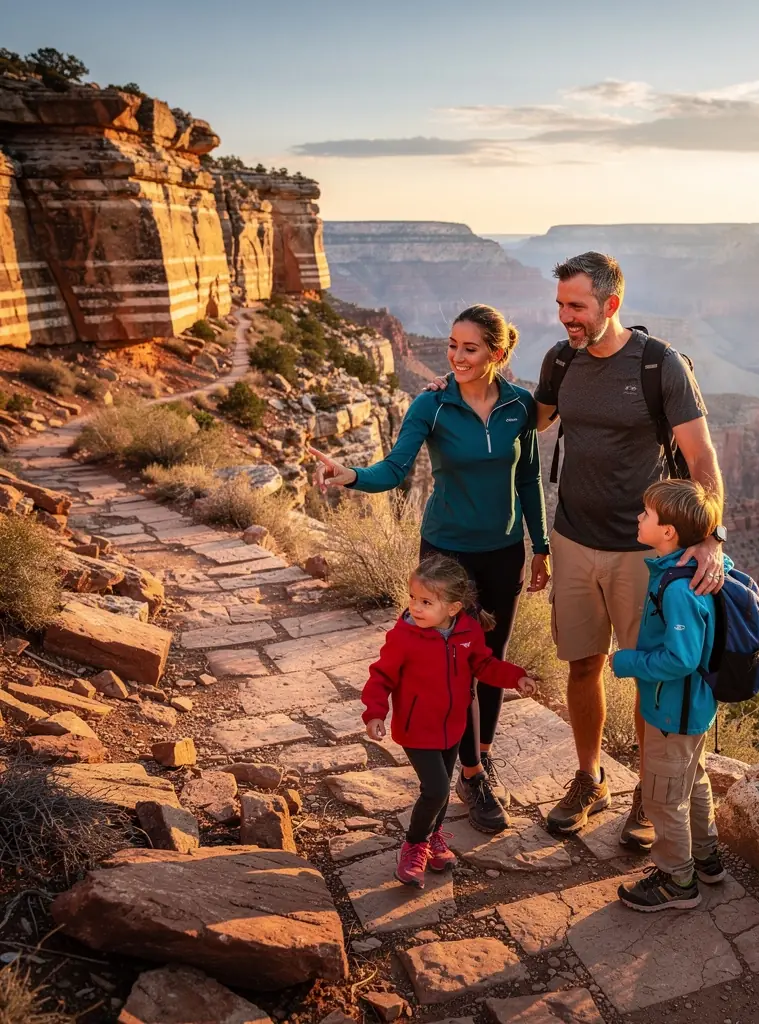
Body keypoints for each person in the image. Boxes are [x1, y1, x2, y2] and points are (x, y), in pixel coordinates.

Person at [310, 303, 549, 834]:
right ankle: (467, 770)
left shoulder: (518, 406)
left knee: (488, 660)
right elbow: (396, 469)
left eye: (470, 348)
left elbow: (529, 479)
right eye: (452, 346)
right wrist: (350, 475)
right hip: (446, 557)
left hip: (504, 551)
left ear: (498, 353)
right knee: (452, 663)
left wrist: (542, 546)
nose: (457, 357)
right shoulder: (432, 405)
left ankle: (476, 765)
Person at [534, 251, 726, 847]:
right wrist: (456, 385)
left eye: (577, 306)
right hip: (571, 538)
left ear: (610, 304)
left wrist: (709, 539)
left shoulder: (658, 365)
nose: (565, 316)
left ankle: (646, 792)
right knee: (583, 664)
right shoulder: (562, 359)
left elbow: (701, 460)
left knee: (650, 679)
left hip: (642, 553)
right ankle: (590, 779)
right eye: (561, 304)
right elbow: (525, 419)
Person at [362, 555, 537, 889]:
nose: (415, 606)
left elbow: (484, 666)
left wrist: (517, 677)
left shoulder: (468, 632)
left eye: (426, 601)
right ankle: (414, 845)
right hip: (416, 730)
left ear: (454, 607)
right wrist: (374, 713)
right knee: (437, 789)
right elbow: (380, 676)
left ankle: (432, 837)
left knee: (439, 791)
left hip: (452, 727)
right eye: (412, 598)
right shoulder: (404, 637)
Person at [610, 478, 731, 911]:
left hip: (672, 710)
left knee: (663, 796)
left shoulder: (679, 587)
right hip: (695, 707)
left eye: (646, 514)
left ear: (668, 533)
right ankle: (707, 859)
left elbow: (680, 659)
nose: (639, 517)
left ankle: (677, 880)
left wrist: (627, 663)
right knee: (692, 779)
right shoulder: (692, 569)